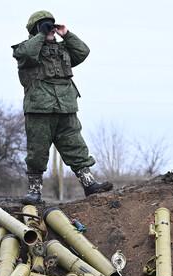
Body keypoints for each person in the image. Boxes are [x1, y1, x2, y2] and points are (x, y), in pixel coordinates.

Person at [12, 10, 113, 205]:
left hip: (66, 107)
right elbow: (26, 53)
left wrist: (66, 34)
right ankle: (35, 192)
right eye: (44, 25)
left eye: (50, 24)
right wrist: (41, 35)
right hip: (39, 109)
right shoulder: (26, 50)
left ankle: (89, 184)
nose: (49, 28)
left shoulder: (62, 50)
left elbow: (83, 51)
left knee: (76, 146)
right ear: (35, 30)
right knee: (37, 151)